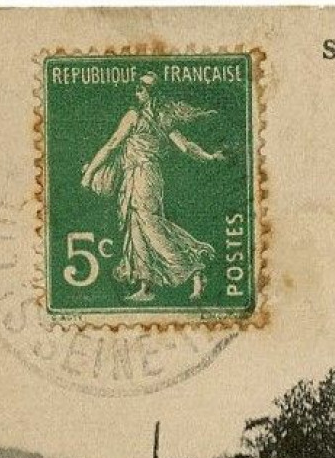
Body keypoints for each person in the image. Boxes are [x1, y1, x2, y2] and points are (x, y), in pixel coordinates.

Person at [79, 72, 225, 303]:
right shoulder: (163, 118)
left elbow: (111, 145)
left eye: (140, 89)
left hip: (141, 175)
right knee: (138, 226)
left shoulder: (133, 116)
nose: (136, 93)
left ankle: (193, 268)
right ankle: (146, 286)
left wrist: (89, 174)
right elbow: (186, 147)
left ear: (148, 93)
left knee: (150, 226)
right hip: (144, 176)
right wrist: (209, 157)